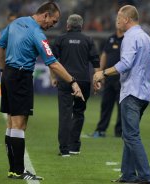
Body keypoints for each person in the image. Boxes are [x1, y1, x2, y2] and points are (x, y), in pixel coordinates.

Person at [0, 2, 84, 180]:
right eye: (53, 20)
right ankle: (19, 170)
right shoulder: (37, 33)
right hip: (21, 77)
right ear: (45, 15)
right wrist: (72, 81)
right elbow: (52, 63)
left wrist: (2, 69)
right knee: (20, 124)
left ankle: (14, 169)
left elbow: (0, 44)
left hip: (8, 75)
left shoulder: (17, 22)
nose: (54, 24)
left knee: (12, 124)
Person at [94, 5, 150, 184]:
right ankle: (128, 175)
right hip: (144, 92)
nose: (116, 21)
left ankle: (145, 177)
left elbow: (125, 63)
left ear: (126, 20)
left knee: (131, 135)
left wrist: (102, 73)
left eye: (118, 18)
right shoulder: (147, 38)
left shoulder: (130, 37)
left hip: (131, 92)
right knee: (129, 134)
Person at [51, 14, 100, 156]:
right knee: (79, 113)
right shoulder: (88, 40)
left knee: (65, 114)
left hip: (66, 81)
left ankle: (64, 149)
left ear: (68, 25)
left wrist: (54, 77)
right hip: (84, 81)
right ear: (81, 26)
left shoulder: (60, 39)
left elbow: (52, 60)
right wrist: (97, 81)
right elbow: (95, 62)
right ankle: (75, 147)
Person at [90, 27, 124, 138]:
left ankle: (120, 132)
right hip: (109, 78)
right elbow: (104, 55)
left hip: (122, 79)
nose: (118, 23)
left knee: (122, 106)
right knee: (105, 104)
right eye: (117, 21)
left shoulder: (128, 39)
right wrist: (100, 72)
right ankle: (101, 130)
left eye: (120, 21)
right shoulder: (110, 38)